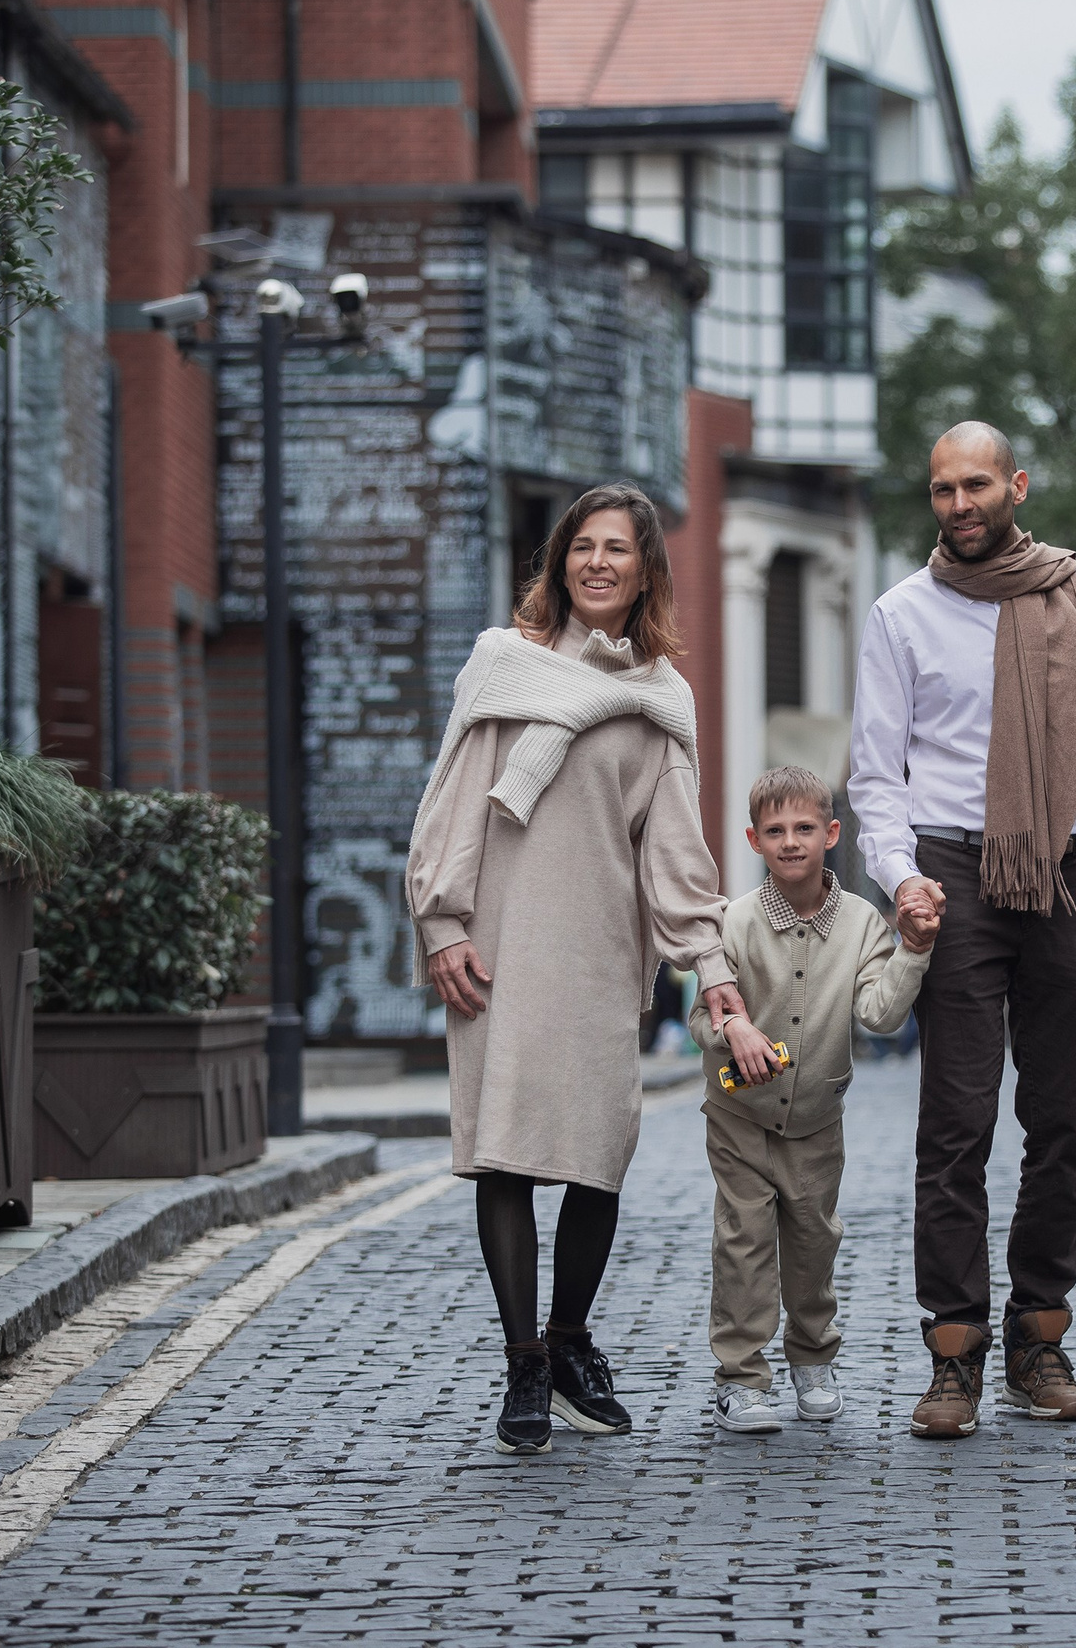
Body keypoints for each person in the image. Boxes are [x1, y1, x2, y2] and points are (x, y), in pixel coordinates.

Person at [849, 420, 1076, 1440]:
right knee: (955, 1122)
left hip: (1069, 869)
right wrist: (901, 877)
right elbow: (875, 776)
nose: (959, 505)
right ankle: (953, 1352)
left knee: (1063, 1117)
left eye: (977, 485)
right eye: (942, 489)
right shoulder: (901, 613)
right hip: (950, 873)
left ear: (1018, 487)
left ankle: (1039, 1340)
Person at [404, 483, 745, 1452]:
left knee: (599, 1157)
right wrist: (442, 923)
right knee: (505, 1153)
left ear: (645, 572)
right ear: (560, 563)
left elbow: (672, 853)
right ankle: (524, 1364)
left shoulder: (658, 697)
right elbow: (452, 802)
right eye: (583, 546)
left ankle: (569, 1342)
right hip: (497, 946)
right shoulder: (501, 663)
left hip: (598, 955)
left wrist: (710, 963)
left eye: (617, 549)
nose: (598, 562)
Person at [692, 766, 940, 1435]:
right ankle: (741, 1378)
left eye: (804, 828)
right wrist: (733, 1028)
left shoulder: (861, 923)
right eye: (775, 831)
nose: (791, 841)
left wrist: (913, 951)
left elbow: (880, 1013)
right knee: (743, 1242)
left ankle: (812, 1359)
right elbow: (701, 1017)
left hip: (816, 1119)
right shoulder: (733, 922)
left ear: (831, 834)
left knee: (812, 1241)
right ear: (754, 840)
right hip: (739, 1115)